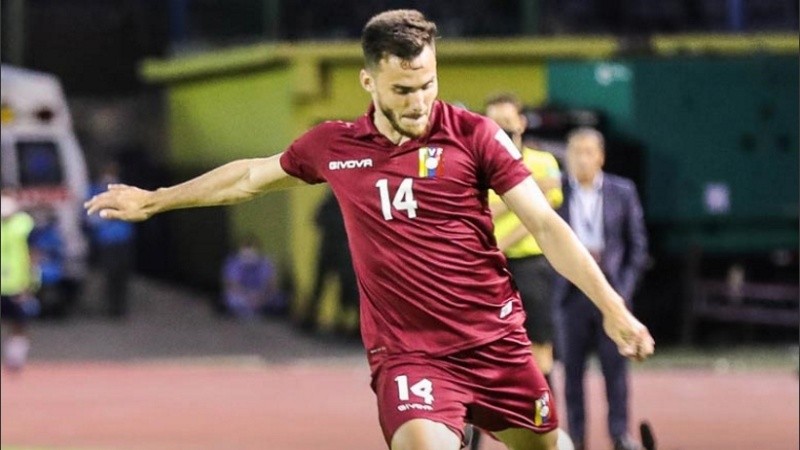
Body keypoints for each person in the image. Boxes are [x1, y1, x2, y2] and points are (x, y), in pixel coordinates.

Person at [85, 10, 654, 450]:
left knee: (545, 443)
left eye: (427, 84)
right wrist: (158, 199)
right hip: (409, 355)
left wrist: (612, 307)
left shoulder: (475, 135)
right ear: (368, 80)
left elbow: (547, 227)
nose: (419, 102)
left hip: (496, 344)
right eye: (403, 90)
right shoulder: (335, 146)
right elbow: (249, 178)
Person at [470, 93, 563, 450]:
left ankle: (544, 429)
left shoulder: (544, 162)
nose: (502, 130)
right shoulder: (477, 166)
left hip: (531, 267)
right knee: (476, 353)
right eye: (494, 124)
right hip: (487, 271)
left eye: (508, 123)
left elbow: (540, 216)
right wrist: (521, 193)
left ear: (522, 123)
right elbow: (484, 216)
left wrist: (500, 240)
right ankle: (473, 438)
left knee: (540, 351)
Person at [552, 127, 649, 450]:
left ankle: (620, 434)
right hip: (571, 295)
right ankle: (576, 436)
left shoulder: (623, 191)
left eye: (588, 151)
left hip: (613, 294)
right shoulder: (555, 193)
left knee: (615, 371)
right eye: (574, 151)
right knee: (572, 373)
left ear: (601, 156)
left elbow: (637, 246)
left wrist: (623, 290)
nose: (581, 158)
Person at [299, 189, 360, 337]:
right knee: (324, 287)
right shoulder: (339, 201)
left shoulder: (343, 201)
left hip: (340, 252)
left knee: (347, 289)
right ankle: (312, 319)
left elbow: (317, 219)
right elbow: (316, 218)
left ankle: (345, 322)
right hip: (336, 251)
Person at [86, 161, 135, 318]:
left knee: (122, 275)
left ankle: (120, 307)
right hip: (107, 240)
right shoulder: (96, 191)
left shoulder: (126, 191)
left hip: (123, 239)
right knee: (110, 274)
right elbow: (90, 215)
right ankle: (112, 307)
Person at [1, 195, 40, 371]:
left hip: (16, 283)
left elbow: (32, 254)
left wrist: (32, 279)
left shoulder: (23, 226)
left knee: (18, 322)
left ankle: (15, 357)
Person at [221, 234, 286, 318]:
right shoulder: (233, 262)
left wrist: (261, 297)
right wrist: (248, 297)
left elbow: (272, 284)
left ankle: (258, 311)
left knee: (280, 299)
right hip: (243, 296)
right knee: (230, 299)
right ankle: (249, 312)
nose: (249, 251)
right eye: (246, 247)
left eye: (252, 247)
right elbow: (232, 284)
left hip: (262, 296)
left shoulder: (265, 262)